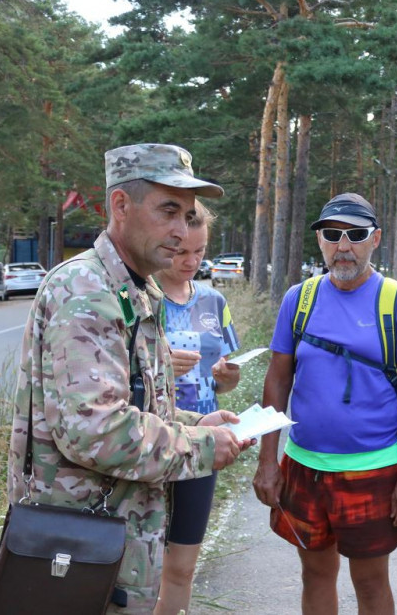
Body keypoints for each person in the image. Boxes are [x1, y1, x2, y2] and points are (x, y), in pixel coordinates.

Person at [7, 143, 254, 613]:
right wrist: (201, 447)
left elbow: (132, 405)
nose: (182, 232)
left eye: (188, 215)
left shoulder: (136, 289)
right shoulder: (87, 290)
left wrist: (193, 423)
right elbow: (94, 430)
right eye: (168, 211)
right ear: (120, 206)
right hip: (75, 554)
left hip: (114, 548)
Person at [252, 193, 397, 614]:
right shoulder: (300, 298)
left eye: (356, 235)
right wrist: (267, 460)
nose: (343, 245)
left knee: (369, 582)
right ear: (320, 241)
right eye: (333, 235)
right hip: (304, 468)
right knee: (314, 573)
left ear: (376, 239)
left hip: (373, 469)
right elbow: (278, 380)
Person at [154, 201, 241, 615]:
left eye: (200, 252)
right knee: (140, 565)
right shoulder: (141, 296)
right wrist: (158, 364)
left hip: (200, 444)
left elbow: (228, 373)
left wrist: (228, 377)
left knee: (183, 565)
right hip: (151, 439)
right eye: (181, 252)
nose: (190, 262)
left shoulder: (213, 301)